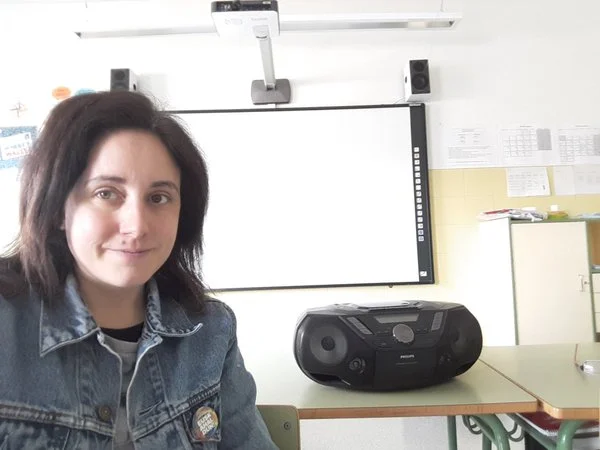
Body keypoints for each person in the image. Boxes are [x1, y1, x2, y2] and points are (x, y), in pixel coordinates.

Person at [0, 91, 278, 449]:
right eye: (106, 193)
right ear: (57, 208)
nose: (136, 226)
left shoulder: (209, 332)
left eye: (158, 198)